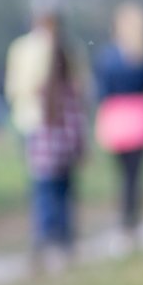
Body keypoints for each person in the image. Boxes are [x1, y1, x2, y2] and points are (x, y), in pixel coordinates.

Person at [5, 0, 90, 262]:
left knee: (42, 185)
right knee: (64, 186)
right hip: (65, 130)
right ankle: (63, 237)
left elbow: (14, 88)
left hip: (34, 125)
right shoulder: (71, 48)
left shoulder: (22, 48)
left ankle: (45, 235)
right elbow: (81, 89)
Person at [93, 1, 143, 253]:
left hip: (117, 120)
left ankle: (125, 225)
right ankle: (130, 225)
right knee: (134, 178)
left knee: (123, 178)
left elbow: (102, 92)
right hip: (141, 119)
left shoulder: (108, 56)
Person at [24, 30, 87, 272]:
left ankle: (44, 240)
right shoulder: (70, 92)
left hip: (42, 157)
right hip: (62, 157)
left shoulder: (42, 91)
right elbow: (74, 125)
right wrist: (79, 150)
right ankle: (63, 243)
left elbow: (35, 126)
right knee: (63, 200)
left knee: (43, 201)